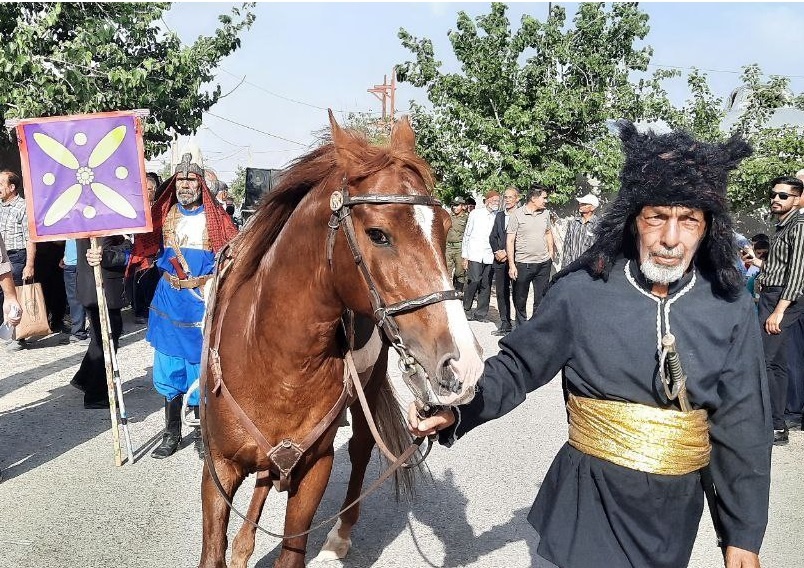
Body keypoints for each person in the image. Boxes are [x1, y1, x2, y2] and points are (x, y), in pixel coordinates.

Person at [409, 123, 771, 568]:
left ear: (708, 227)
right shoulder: (582, 292)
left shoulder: (729, 307)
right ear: (632, 219)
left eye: (689, 220)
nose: (671, 238)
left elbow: (744, 425)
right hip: (588, 502)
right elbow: (518, 366)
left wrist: (742, 536)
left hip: (673, 516)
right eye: (657, 217)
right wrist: (458, 408)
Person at [128, 152, 237, 459]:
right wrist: (104, 257)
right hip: (168, 300)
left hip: (201, 302)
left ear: (201, 184)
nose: (185, 185)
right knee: (168, 367)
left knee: (200, 369)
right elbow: (139, 249)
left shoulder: (217, 220)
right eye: (180, 180)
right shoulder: (162, 215)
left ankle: (204, 434)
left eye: (191, 180)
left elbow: (232, 256)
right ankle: (171, 433)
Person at [742, 175, 804, 445]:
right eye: (774, 194)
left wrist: (779, 310)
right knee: (775, 364)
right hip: (772, 295)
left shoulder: (799, 226)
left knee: (763, 361)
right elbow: (780, 268)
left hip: (783, 299)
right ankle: (777, 426)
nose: (776, 199)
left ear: (798, 199)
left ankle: (766, 423)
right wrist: (757, 261)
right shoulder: (782, 226)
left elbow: (798, 273)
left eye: (783, 196)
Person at [70, 236, 130, 408]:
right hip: (102, 287)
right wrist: (128, 246)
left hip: (95, 286)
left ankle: (83, 377)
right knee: (106, 340)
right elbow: (104, 256)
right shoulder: (101, 221)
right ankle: (96, 393)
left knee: (100, 337)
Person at [506, 185, 555, 326]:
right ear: (533, 198)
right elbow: (510, 240)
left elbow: (547, 233)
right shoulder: (517, 215)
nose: (546, 201)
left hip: (543, 264)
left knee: (541, 299)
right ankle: (521, 328)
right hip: (523, 264)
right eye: (544, 198)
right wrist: (512, 265)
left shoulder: (545, 213)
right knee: (520, 299)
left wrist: (550, 253)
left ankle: (535, 328)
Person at [0, 170, 36, 350]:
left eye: (1, 184)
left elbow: (29, 237)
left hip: (16, 255)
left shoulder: (23, 207)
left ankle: (18, 337)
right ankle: (5, 330)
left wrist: (29, 264)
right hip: (1, 256)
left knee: (15, 295)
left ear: (12, 187)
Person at [461, 191, 500, 322]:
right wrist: (465, 256)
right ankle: (466, 308)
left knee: (486, 284)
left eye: (498, 201)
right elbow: (467, 234)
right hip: (475, 254)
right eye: (494, 200)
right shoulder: (475, 214)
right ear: (487, 200)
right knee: (474, 280)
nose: (496, 203)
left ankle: (481, 313)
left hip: (489, 255)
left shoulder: (498, 216)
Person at [489, 187, 519, 336]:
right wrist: (497, 251)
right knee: (501, 292)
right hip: (500, 260)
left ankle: (519, 325)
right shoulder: (500, 216)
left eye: (510, 197)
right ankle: (505, 323)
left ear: (517, 199)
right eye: (505, 197)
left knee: (518, 293)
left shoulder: (521, 215)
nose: (507, 200)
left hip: (516, 260)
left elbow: (521, 239)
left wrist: (508, 253)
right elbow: (492, 236)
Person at [61, 239, 89, 344]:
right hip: (77, 261)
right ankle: (82, 332)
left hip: (76, 262)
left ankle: (78, 333)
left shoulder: (69, 222)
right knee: (81, 298)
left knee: (75, 299)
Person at [562, 193, 600, 266]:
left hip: (588, 268)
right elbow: (567, 246)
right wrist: (564, 267)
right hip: (572, 267)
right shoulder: (573, 223)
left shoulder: (598, 226)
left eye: (584, 204)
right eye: (580, 203)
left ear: (593, 207)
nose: (581, 205)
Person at [445, 196, 468, 294]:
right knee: (447, 270)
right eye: (453, 205)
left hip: (460, 248)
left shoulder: (467, 218)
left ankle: (459, 292)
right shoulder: (448, 216)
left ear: (463, 206)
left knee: (460, 271)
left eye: (457, 205)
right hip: (448, 247)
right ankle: (448, 292)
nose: (455, 207)